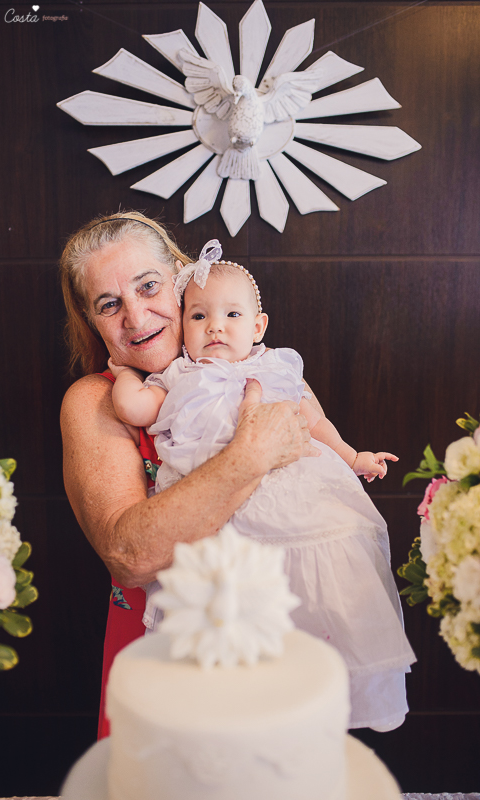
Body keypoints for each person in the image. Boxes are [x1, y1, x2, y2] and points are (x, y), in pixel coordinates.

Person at [108, 240, 416, 732]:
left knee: (316, 568)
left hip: (293, 491)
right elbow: (134, 409)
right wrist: (124, 375)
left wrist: (353, 456)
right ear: (182, 326)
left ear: (258, 327)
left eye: (232, 314)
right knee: (229, 604)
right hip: (215, 506)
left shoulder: (275, 366)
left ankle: (317, 673)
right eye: (199, 316)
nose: (215, 327)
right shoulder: (178, 374)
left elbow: (313, 419)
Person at [59, 214, 316, 739]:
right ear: (93, 323)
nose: (135, 317)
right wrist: (250, 455)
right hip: (160, 650)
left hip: (269, 627)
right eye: (110, 305)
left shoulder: (253, 368)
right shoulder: (97, 402)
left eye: (148, 286)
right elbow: (129, 555)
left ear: (182, 279)